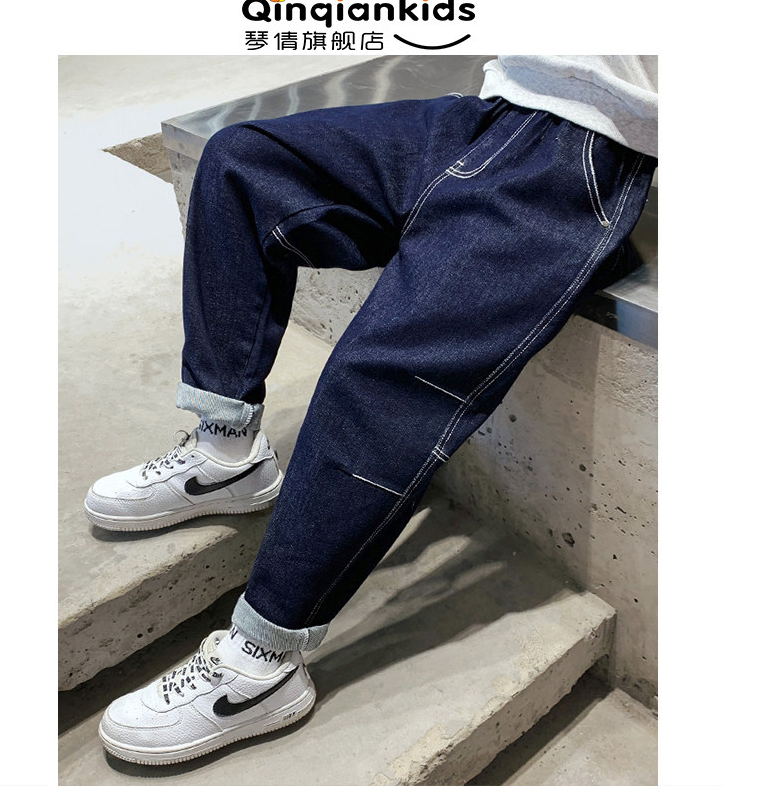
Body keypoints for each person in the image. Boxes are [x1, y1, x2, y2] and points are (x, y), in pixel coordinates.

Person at [85, 55, 658, 765]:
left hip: (590, 157)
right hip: (493, 114)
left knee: (383, 373)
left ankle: (262, 665)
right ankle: (225, 451)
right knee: (241, 165)